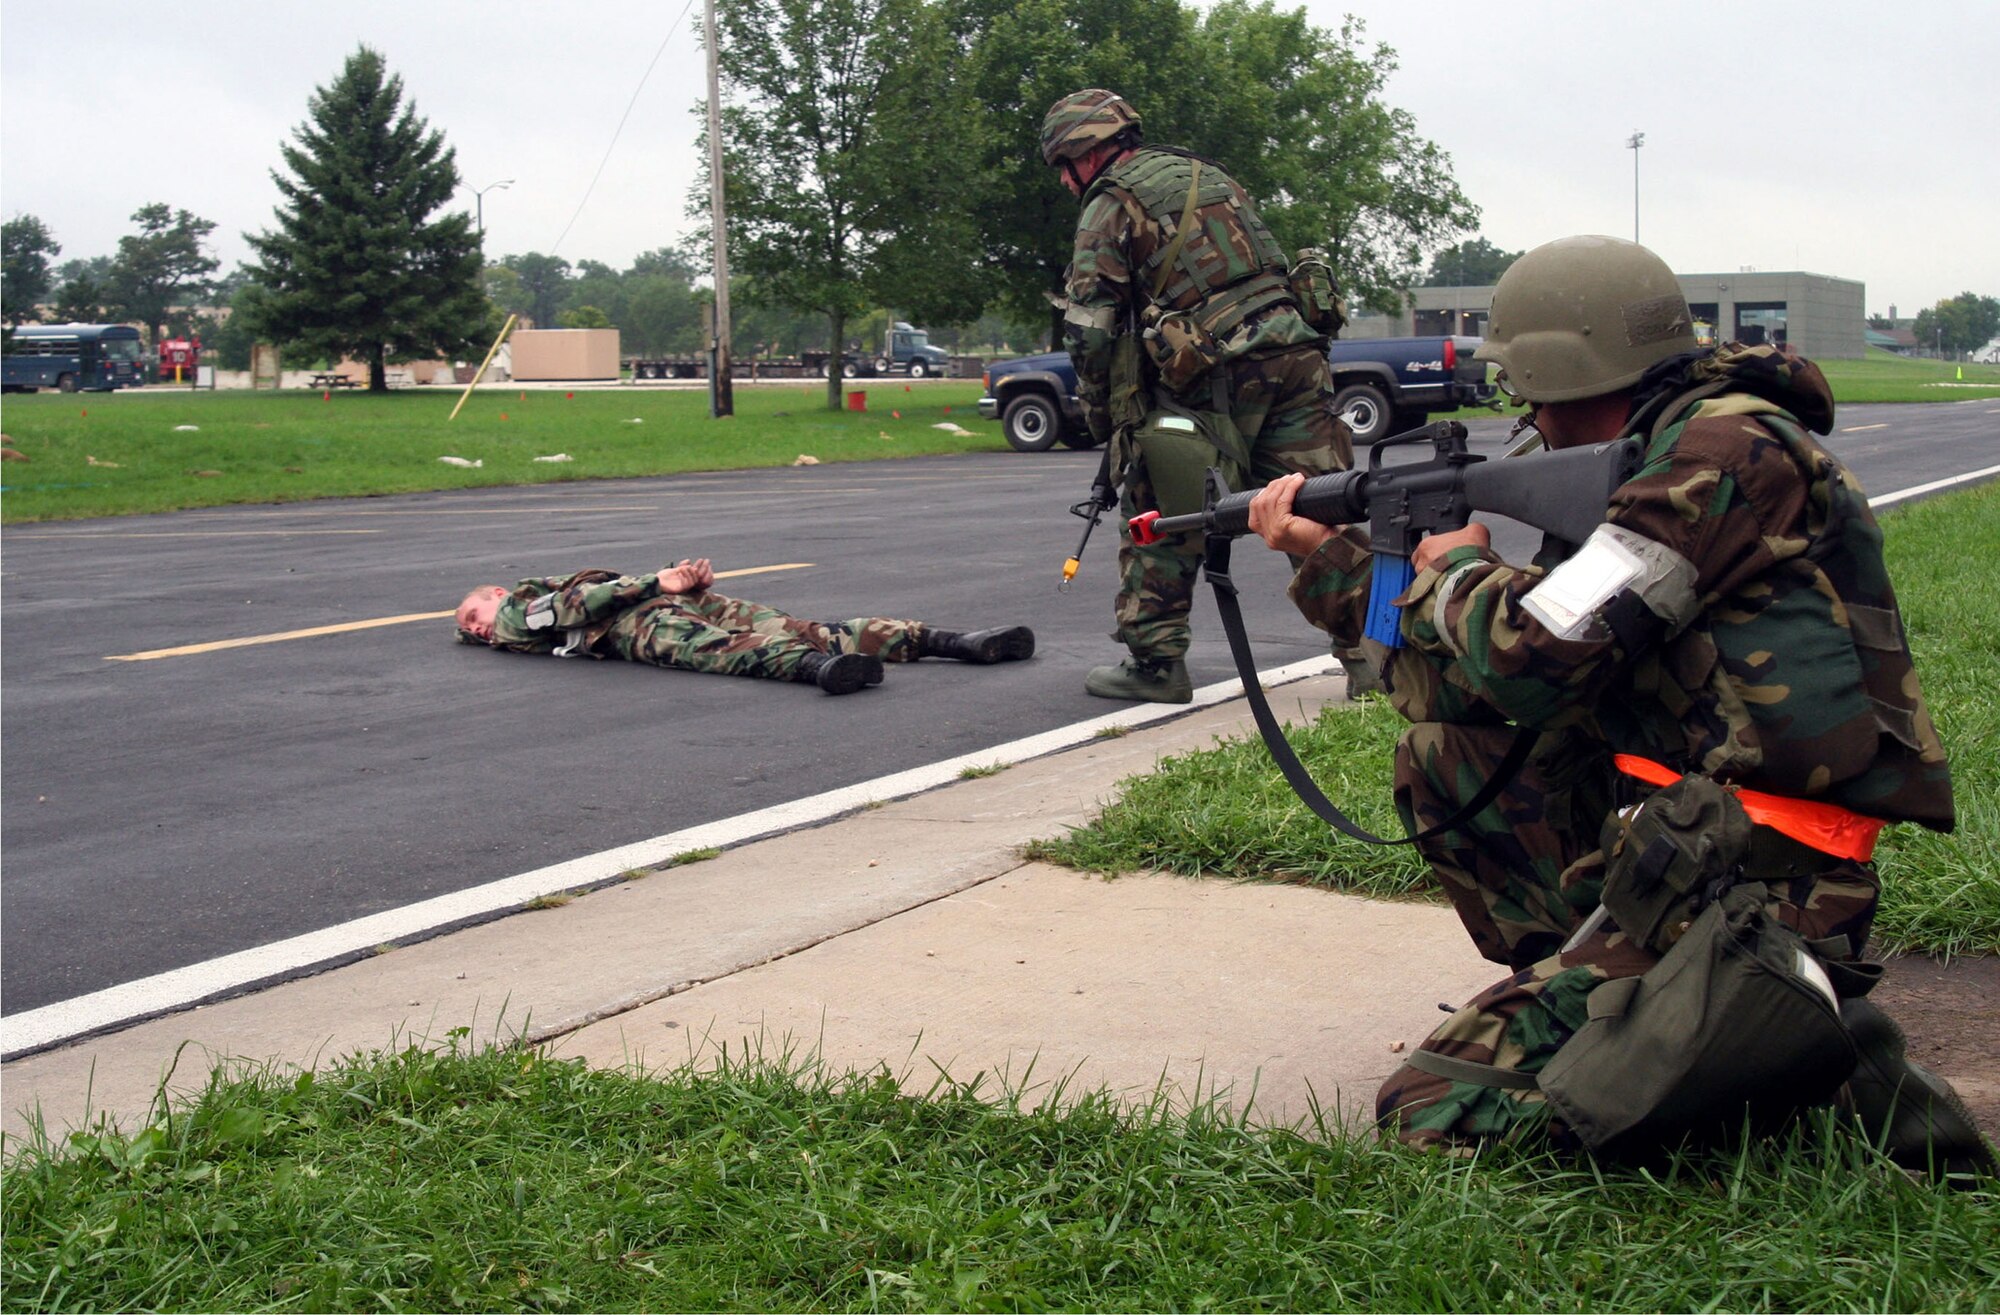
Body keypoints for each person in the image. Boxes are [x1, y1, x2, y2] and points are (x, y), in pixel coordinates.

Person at [1247, 235, 1988, 1172]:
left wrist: (1456, 569)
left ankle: (1810, 1042)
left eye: (1528, 391)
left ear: (1563, 370)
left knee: (1432, 1105)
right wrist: (1327, 560)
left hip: (1762, 882)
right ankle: (1618, 997)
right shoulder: (1657, 453)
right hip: (1668, 842)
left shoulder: (1722, 453)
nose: (1528, 418)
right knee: (1446, 752)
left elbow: (1538, 653)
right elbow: (1484, 680)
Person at [1041, 88, 1355, 704]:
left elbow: (1092, 326)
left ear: (1083, 152)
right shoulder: (1208, 175)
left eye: (1061, 167)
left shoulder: (1109, 202)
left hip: (1215, 375)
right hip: (1296, 358)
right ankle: (1370, 659)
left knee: (1159, 507)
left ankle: (1157, 666)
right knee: (1318, 506)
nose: (1063, 182)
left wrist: (1105, 415)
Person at [455, 558, 1034, 694]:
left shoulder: (517, 610)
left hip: (639, 616)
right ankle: (955, 642)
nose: (479, 629)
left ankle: (819, 671)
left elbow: (581, 607)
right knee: (811, 627)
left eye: (473, 616)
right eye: (471, 628)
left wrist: (660, 585)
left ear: (496, 596)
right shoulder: (532, 600)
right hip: (677, 597)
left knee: (715, 650)